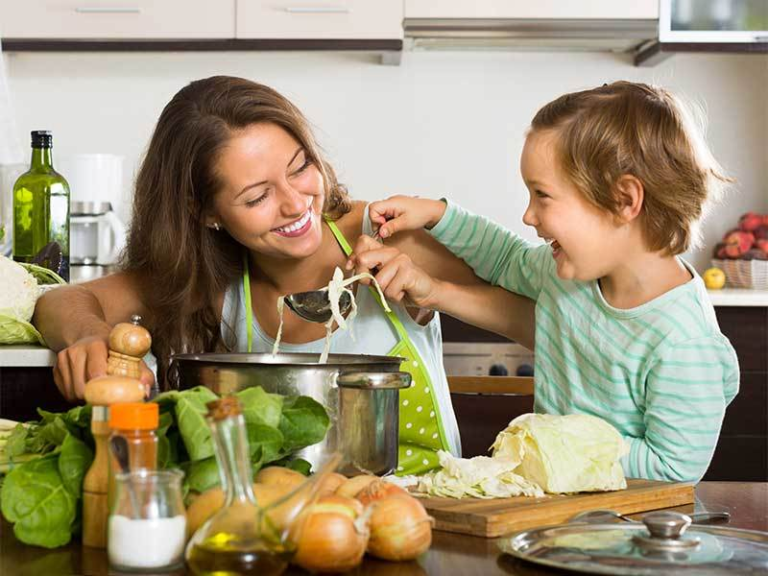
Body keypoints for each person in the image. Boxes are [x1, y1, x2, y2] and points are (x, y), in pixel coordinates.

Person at [33, 75, 535, 475]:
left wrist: (437, 291)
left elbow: (549, 326)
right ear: (206, 214)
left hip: (426, 522)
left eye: (299, 168)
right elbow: (60, 302)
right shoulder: (212, 283)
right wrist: (90, 335)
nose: (296, 204)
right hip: (288, 526)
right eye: (256, 197)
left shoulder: (388, 235)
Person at [348, 81, 740, 483]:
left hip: (631, 532)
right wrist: (435, 214)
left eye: (542, 196)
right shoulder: (568, 277)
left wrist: (555, 443)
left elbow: (674, 468)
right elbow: (504, 258)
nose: (529, 215)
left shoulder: (684, 343)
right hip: (557, 514)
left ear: (624, 200)